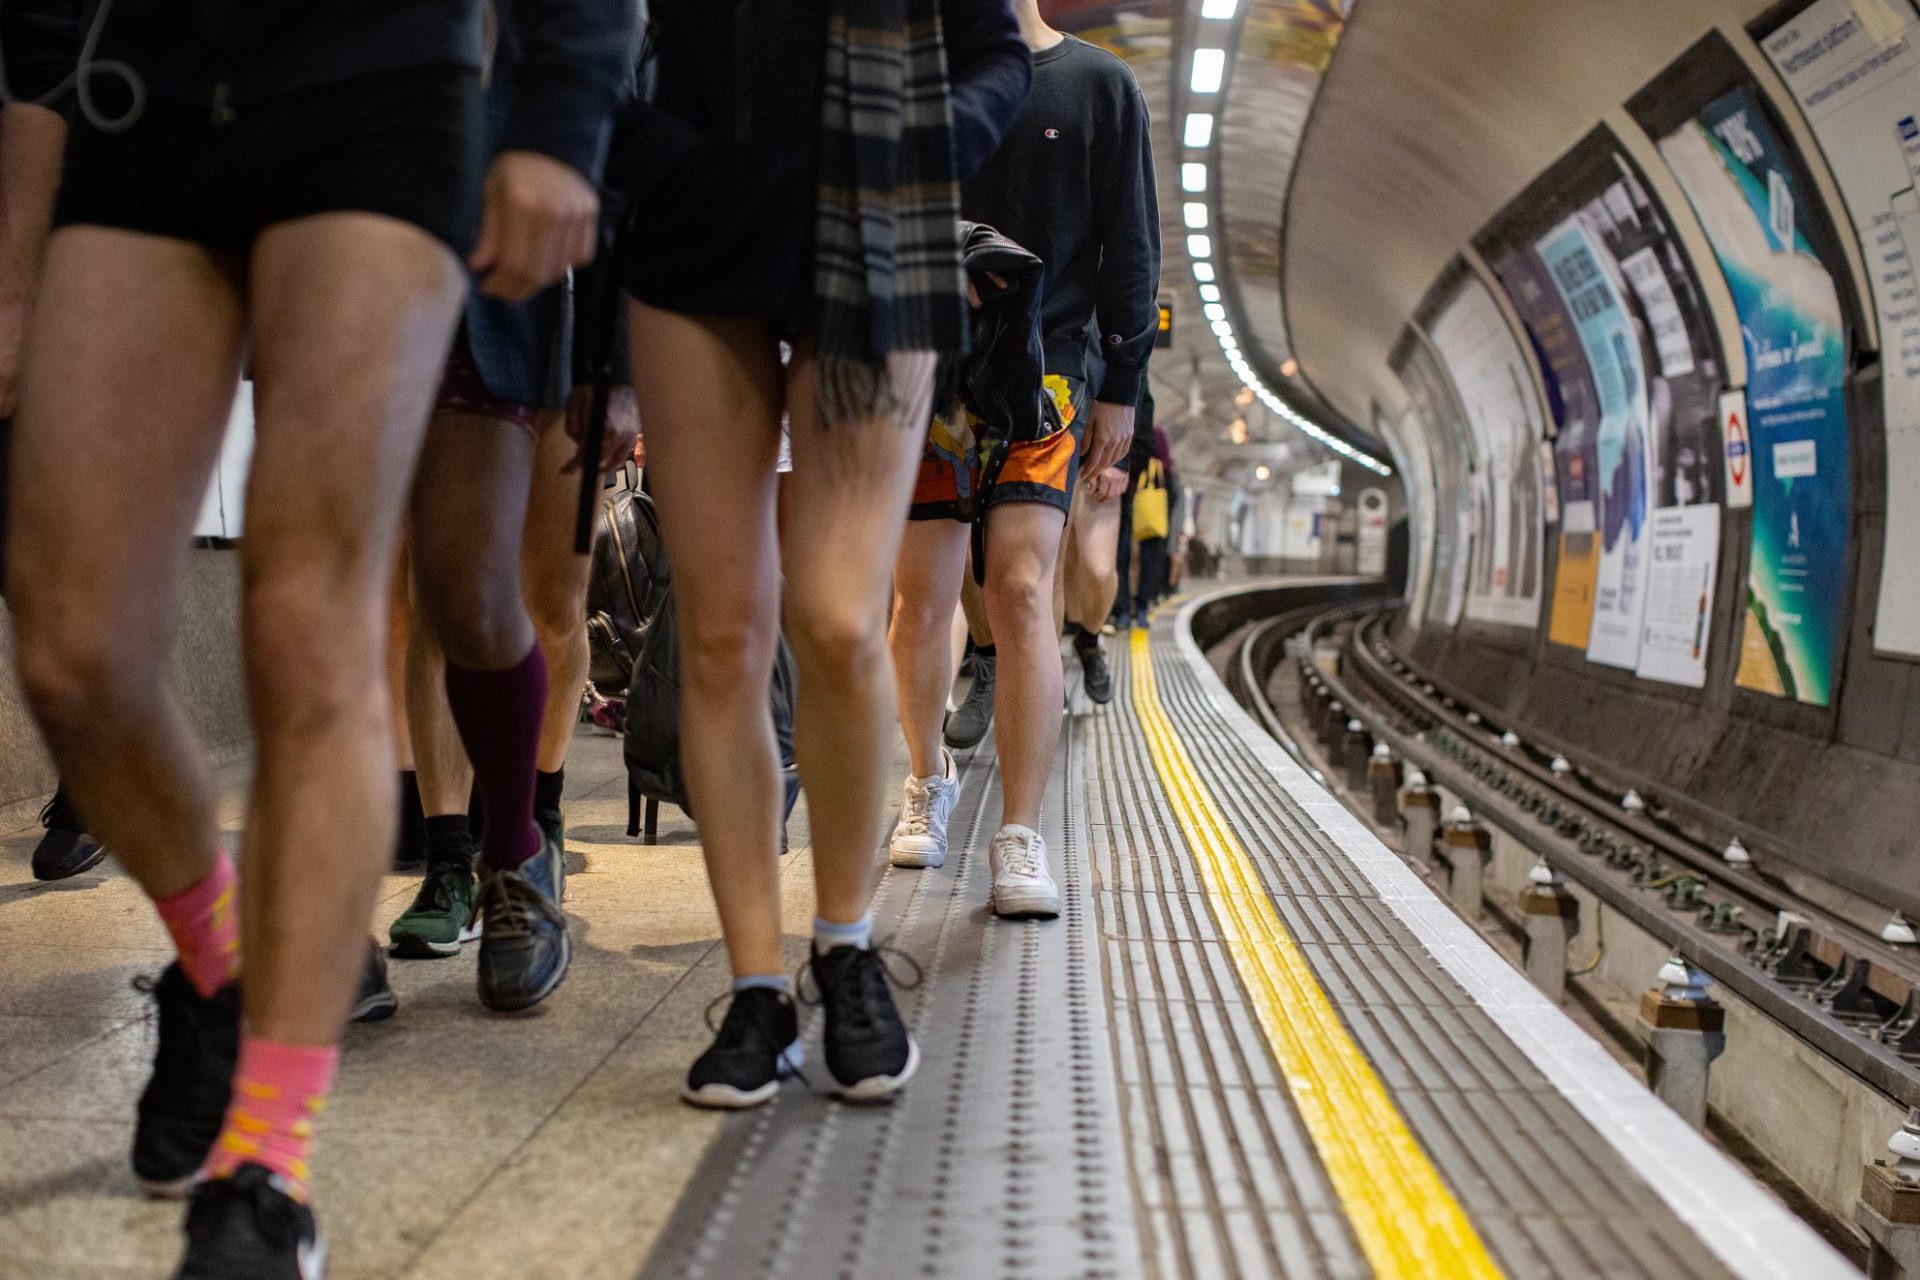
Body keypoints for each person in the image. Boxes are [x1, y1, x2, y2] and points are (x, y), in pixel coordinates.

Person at [2, 3, 632, 1275]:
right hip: (144, 88)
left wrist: (565, 108)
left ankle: (265, 1172)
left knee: (312, 618)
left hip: (382, 86)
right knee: (71, 645)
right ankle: (224, 964)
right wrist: (15, 256)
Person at [616, 0, 1029, 1110]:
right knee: (720, 632)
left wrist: (933, 144)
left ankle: (844, 947)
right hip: (694, 244)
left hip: (879, 230)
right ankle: (757, 982)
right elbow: (603, 38)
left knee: (843, 621)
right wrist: (667, 157)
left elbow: (995, 53)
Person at [388, 3, 641, 1015]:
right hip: (412, 245)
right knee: (435, 594)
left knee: (546, 597)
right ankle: (452, 855)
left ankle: (526, 835)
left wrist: (622, 369)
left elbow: (624, 145)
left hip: (554, 303)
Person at [941, 0, 1158, 746]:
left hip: (1055, 366)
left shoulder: (1100, 85)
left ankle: (1022, 811)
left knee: (1027, 574)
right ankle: (985, 665)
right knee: (940, 579)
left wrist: (1124, 389)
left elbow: (1130, 245)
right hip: (934, 360)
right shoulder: (928, 80)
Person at [0, 1, 102, 883]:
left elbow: (45, 65)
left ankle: (90, 782)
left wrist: (14, 298)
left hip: (38, 242)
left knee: (40, 561)